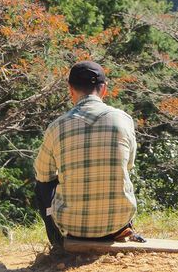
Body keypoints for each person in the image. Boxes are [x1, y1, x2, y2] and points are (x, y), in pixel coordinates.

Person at [34, 60, 138, 250]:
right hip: (117, 224)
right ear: (104, 89)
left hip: (72, 227)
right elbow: (129, 164)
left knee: (42, 184)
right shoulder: (123, 119)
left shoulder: (56, 127)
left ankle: (58, 242)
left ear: (71, 90)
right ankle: (123, 226)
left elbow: (42, 175)